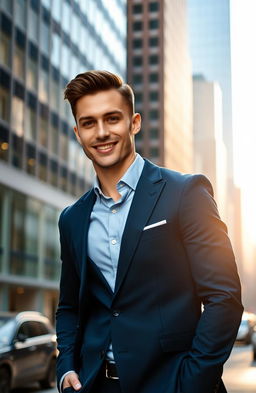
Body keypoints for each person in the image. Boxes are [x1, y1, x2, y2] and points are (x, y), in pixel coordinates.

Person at [56, 70, 243, 393]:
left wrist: (192, 382)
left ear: (135, 123)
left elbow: (223, 298)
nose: (101, 132)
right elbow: (70, 306)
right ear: (77, 132)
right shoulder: (72, 218)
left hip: (171, 383)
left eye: (112, 118)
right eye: (89, 123)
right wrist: (66, 367)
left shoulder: (186, 192)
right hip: (96, 384)